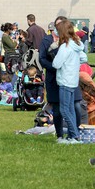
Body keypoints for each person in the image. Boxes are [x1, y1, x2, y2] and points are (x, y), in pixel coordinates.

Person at [52, 19, 84, 144]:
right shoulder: (75, 45)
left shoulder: (65, 47)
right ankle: (72, 135)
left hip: (65, 81)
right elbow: (83, 58)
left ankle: (75, 135)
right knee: (70, 109)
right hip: (72, 80)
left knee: (64, 110)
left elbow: (56, 64)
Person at [39, 16, 68, 144]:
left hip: (67, 78)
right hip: (53, 77)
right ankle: (60, 134)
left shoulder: (69, 40)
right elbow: (42, 59)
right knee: (56, 108)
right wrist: (54, 67)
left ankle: (72, 133)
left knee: (69, 107)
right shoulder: (46, 40)